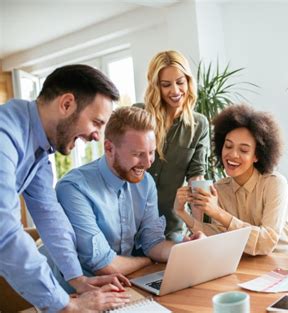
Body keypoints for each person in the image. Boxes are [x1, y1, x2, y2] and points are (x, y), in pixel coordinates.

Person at [0, 64, 131, 312]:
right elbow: (4, 233)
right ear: (67, 104)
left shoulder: (39, 147)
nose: (97, 136)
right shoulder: (4, 136)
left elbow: (50, 214)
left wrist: (77, 280)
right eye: (96, 122)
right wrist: (66, 306)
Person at [55, 107, 205, 279]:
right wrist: (146, 261)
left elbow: (153, 243)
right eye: (138, 154)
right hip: (79, 293)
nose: (148, 163)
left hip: (126, 282)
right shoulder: (74, 188)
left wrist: (184, 250)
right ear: (109, 148)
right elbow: (104, 265)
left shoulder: (145, 182)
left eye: (151, 153)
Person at [174, 104, 288, 255]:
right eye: (228, 146)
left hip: (284, 261)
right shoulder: (220, 188)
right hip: (245, 262)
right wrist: (181, 212)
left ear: (257, 155)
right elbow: (218, 236)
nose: (232, 155)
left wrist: (217, 212)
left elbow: (266, 243)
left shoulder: (274, 183)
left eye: (244, 150)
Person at [135, 50, 210, 241]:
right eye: (166, 85)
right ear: (156, 86)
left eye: (180, 82)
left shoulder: (198, 125)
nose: (175, 91)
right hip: (132, 224)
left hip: (170, 228)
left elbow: (196, 180)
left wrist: (196, 229)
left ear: (188, 82)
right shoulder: (138, 115)